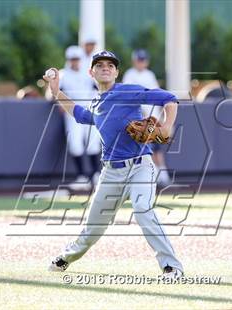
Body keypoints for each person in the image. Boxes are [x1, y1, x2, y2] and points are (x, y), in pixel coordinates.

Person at [43, 50, 184, 279]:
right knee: (93, 228)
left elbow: (169, 98)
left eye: (110, 65)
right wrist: (56, 91)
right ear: (92, 72)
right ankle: (66, 257)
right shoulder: (97, 102)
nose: (105, 67)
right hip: (110, 172)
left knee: (142, 210)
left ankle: (171, 266)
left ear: (117, 72)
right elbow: (79, 114)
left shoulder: (128, 91)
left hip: (140, 166)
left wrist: (167, 127)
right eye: (100, 65)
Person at [123, 49, 172, 187]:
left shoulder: (149, 74)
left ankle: (162, 173)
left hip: (152, 115)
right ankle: (150, 174)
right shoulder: (130, 75)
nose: (141, 63)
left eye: (143, 60)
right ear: (134, 61)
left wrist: (161, 115)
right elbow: (130, 97)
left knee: (156, 146)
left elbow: (157, 95)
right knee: (143, 147)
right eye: (139, 60)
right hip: (138, 117)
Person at [59, 45, 101, 191]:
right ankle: (82, 176)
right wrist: (61, 103)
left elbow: (98, 91)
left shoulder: (88, 74)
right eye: (72, 59)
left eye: (77, 59)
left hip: (89, 110)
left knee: (93, 142)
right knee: (75, 144)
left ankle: (96, 175)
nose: (75, 62)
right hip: (73, 111)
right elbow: (56, 92)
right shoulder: (63, 74)